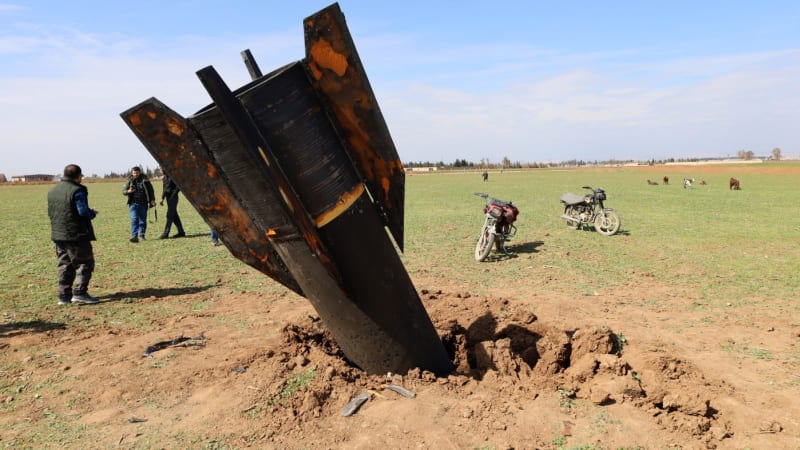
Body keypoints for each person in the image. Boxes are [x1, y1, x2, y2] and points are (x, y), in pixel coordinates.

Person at [47, 164, 100, 305]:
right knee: (85, 263)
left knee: (64, 265)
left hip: (58, 234)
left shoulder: (53, 191)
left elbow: (51, 212)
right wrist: (92, 213)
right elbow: (82, 211)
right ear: (77, 177)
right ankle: (80, 293)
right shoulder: (77, 190)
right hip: (76, 234)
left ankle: (64, 296)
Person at [123, 166, 155, 243]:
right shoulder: (129, 181)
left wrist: (152, 200)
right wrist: (128, 191)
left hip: (143, 203)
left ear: (139, 172)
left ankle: (142, 235)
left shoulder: (145, 180)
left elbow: (151, 191)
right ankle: (134, 236)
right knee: (134, 219)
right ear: (132, 173)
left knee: (143, 220)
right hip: (133, 204)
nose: (136, 174)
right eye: (134, 173)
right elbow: (123, 191)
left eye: (137, 173)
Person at [158, 169, 185, 239]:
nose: (161, 170)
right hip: (168, 198)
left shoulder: (173, 176)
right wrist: (162, 198)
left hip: (173, 198)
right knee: (174, 215)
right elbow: (164, 188)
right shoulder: (164, 177)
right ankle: (181, 232)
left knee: (169, 215)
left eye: (162, 168)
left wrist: (173, 195)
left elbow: (178, 187)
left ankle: (166, 233)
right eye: (160, 168)